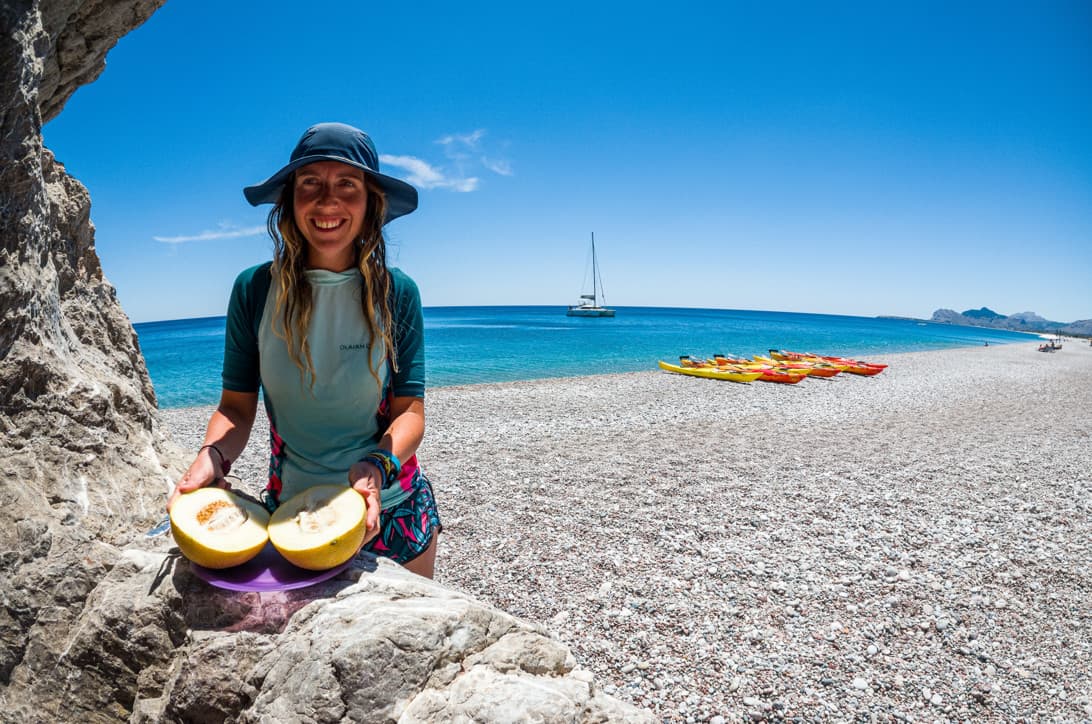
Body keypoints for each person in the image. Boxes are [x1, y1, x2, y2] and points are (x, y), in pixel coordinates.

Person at [167, 122, 440, 578]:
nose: (327, 199)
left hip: (391, 509)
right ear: (290, 200)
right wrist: (211, 457)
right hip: (290, 513)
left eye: (347, 184)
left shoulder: (396, 294)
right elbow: (235, 408)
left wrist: (376, 466)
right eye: (310, 182)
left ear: (372, 201)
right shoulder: (254, 290)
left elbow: (409, 410)